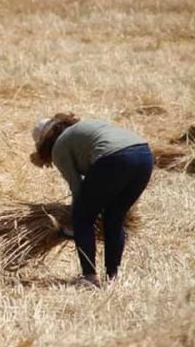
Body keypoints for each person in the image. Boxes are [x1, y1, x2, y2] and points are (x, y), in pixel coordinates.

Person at [30, 113, 153, 287]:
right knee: (114, 218)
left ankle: (89, 276)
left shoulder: (59, 147)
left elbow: (77, 188)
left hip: (114, 159)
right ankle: (113, 277)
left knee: (82, 217)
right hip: (144, 155)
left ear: (45, 142)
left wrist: (73, 220)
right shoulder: (83, 130)